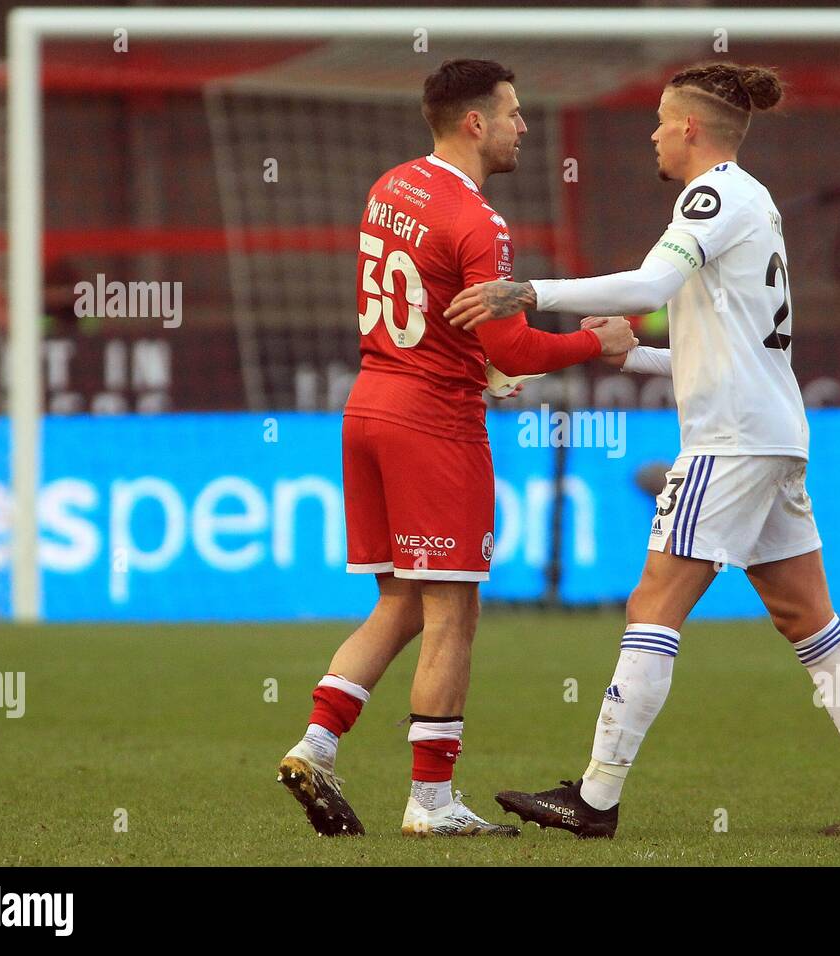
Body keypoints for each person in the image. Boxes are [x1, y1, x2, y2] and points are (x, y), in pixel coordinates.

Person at [446, 62, 840, 838]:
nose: (654, 134)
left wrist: (532, 291)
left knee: (652, 605)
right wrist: (625, 356)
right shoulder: (755, 205)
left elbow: (645, 287)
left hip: (730, 443)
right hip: (773, 433)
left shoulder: (712, 195)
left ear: (691, 130)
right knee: (807, 614)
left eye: (662, 121)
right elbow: (724, 350)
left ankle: (596, 799)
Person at [277, 58, 637, 837]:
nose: (523, 126)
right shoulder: (481, 222)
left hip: (370, 404)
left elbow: (441, 313)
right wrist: (594, 340)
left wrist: (477, 363)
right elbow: (513, 337)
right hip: (432, 425)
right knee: (454, 613)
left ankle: (316, 743)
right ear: (474, 122)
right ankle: (432, 803)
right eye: (513, 112)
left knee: (401, 602)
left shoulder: (391, 186)